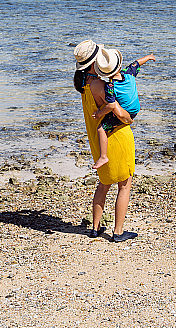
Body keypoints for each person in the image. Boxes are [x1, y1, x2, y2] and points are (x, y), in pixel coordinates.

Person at [73, 40, 138, 243]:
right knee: (124, 185)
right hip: (117, 137)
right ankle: (118, 232)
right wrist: (129, 118)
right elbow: (122, 115)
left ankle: (95, 228)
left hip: (98, 140)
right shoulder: (101, 85)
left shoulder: (83, 84)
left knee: (103, 184)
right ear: (95, 63)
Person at [91, 48, 155, 169]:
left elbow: (110, 106)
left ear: (104, 74)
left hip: (126, 112)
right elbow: (137, 62)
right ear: (120, 66)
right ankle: (128, 120)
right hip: (136, 108)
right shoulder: (129, 73)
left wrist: (99, 113)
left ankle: (103, 156)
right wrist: (149, 57)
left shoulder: (110, 86)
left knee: (101, 129)